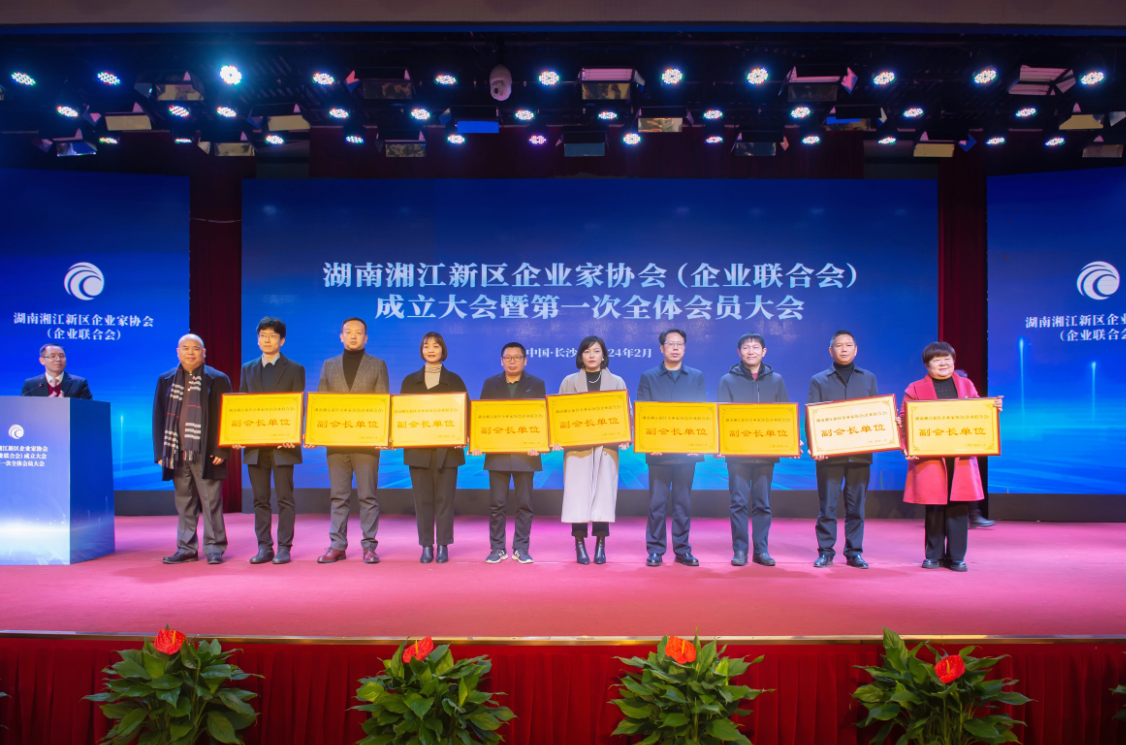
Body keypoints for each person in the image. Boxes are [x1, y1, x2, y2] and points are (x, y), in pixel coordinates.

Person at [899, 342, 1000, 572]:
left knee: (959, 506)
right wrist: (907, 446)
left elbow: (978, 414)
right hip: (931, 458)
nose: (943, 363)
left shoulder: (966, 384)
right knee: (934, 507)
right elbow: (904, 420)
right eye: (937, 360)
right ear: (927, 365)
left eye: (947, 359)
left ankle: (957, 557)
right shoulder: (915, 388)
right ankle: (933, 555)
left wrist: (991, 409)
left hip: (960, 456)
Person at [312, 317, 390, 565]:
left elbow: (383, 403)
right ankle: (337, 545)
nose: (353, 336)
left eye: (358, 332)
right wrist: (314, 433)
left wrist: (383, 434)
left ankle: (369, 546)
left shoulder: (377, 365)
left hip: (367, 443)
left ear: (366, 338)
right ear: (341, 336)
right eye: (348, 332)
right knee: (339, 497)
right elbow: (321, 403)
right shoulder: (329, 365)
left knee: (368, 496)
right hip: (336, 443)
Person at [151, 334, 232, 565]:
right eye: (185, 348)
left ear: (204, 352)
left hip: (207, 452)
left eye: (195, 348)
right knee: (184, 501)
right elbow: (158, 416)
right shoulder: (165, 379)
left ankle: (214, 548)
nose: (190, 352)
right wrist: (160, 452)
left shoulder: (217, 378)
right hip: (175, 451)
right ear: (178, 352)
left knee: (211, 501)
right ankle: (186, 548)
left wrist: (221, 450)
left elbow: (227, 416)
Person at [232, 317, 306, 566]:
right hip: (255, 446)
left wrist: (293, 434)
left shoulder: (295, 368)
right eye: (263, 335)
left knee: (285, 498)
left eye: (272, 336)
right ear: (257, 339)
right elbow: (242, 405)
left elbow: (298, 406)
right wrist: (238, 435)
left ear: (282, 340)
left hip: (284, 445)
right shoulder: (248, 368)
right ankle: (264, 547)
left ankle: (284, 547)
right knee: (260, 499)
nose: (267, 340)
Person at [716, 333, 791, 567]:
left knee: (763, 503)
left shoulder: (776, 380)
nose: (751, 351)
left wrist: (790, 440)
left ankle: (761, 550)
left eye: (756, 347)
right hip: (737, 454)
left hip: (765, 453)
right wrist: (719, 443)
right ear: (739, 352)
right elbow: (720, 416)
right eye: (746, 348)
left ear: (764, 352)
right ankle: (740, 550)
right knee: (738, 502)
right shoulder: (727, 380)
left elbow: (785, 415)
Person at [807, 330, 879, 569]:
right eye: (839, 345)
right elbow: (811, 416)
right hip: (829, 455)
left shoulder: (868, 378)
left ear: (856, 350)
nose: (844, 349)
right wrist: (815, 446)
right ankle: (825, 551)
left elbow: (876, 412)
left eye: (849, 345)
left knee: (856, 507)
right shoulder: (819, 380)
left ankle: (854, 552)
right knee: (827, 506)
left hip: (860, 455)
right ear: (831, 351)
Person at [556, 335, 629, 565]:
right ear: (581, 356)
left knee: (603, 496)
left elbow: (625, 414)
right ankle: (579, 543)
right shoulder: (569, 382)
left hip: (606, 448)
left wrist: (625, 437)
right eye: (587, 351)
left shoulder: (617, 381)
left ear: (603, 355)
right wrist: (557, 438)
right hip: (578, 450)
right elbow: (559, 415)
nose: (591, 355)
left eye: (596, 351)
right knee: (577, 496)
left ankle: (600, 544)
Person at [471, 342, 546, 564]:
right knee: (497, 504)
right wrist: (478, 442)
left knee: (525, 503)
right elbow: (483, 416)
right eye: (508, 357)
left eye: (517, 357)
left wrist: (539, 443)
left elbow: (541, 417)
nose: (512, 361)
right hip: (498, 453)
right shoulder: (490, 383)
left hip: (526, 454)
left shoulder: (537, 384)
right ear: (501, 360)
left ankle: (521, 548)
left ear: (525, 360)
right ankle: (497, 548)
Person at [636, 328, 706, 568]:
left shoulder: (696, 376)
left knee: (683, 503)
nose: (675, 348)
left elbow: (701, 413)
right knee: (657, 503)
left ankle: (682, 549)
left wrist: (699, 444)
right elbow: (643, 413)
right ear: (661, 348)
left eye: (680, 344)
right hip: (659, 451)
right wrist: (649, 443)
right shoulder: (649, 377)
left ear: (685, 348)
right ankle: (655, 550)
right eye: (671, 344)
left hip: (687, 452)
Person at [400, 332, 467, 564]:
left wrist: (462, 435)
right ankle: (426, 545)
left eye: (436, 346)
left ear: (442, 350)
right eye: (426, 345)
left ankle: (444, 545)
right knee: (423, 501)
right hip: (418, 451)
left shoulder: (455, 380)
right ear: (421, 350)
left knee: (445, 500)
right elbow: (402, 415)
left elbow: (465, 412)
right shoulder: (410, 381)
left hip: (447, 452)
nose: (431, 349)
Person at [21, 344, 92, 399]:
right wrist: (45, 404)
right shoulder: (31, 384)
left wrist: (65, 405)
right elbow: (23, 409)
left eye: (61, 356)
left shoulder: (79, 383)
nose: (58, 359)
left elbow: (88, 409)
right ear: (42, 361)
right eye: (52, 356)